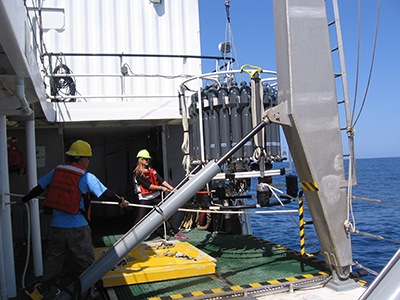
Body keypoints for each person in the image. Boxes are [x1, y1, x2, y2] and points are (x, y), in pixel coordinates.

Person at [17, 140, 129, 293]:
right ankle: (93, 292)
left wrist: (23, 200)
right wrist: (121, 201)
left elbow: (38, 189)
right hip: (77, 227)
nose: (88, 161)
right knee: (86, 263)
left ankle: (48, 291)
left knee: (53, 261)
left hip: (57, 227)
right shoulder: (86, 176)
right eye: (88, 158)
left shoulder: (57, 171)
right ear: (82, 159)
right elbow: (105, 193)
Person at [133, 149, 188, 239]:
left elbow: (161, 180)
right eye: (145, 159)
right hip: (145, 198)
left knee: (167, 212)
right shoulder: (138, 173)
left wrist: (172, 189)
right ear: (141, 160)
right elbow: (148, 186)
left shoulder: (151, 170)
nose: (147, 161)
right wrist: (161, 188)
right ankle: (133, 236)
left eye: (148, 159)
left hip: (155, 196)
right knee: (141, 218)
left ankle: (176, 231)